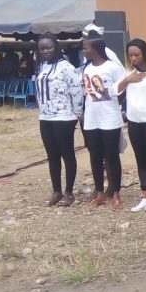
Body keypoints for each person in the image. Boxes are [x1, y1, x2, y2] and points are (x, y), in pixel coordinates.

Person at [116, 39, 146, 212]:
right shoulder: (128, 72)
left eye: (136, 55)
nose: (133, 58)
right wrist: (127, 80)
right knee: (140, 159)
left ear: (145, 53)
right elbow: (115, 91)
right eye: (130, 55)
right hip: (134, 122)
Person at [34, 33, 83, 207]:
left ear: (56, 47)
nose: (45, 51)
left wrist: (77, 114)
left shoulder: (66, 67)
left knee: (67, 154)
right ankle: (56, 191)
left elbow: (77, 90)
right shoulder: (42, 66)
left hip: (64, 117)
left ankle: (69, 192)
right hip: (45, 117)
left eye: (49, 47)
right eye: (42, 48)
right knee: (52, 156)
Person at [80, 34, 126, 210]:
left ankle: (115, 193)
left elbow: (122, 89)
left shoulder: (112, 67)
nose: (84, 51)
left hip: (110, 118)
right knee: (95, 156)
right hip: (92, 118)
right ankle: (99, 193)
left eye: (86, 48)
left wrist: (118, 107)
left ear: (96, 49)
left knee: (112, 156)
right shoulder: (86, 69)